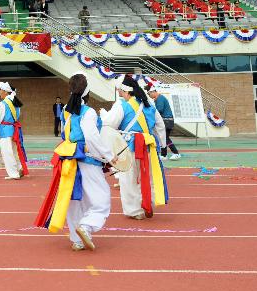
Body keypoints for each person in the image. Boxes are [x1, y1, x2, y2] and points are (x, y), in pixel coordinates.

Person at [35, 73, 117, 252]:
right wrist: (109, 155)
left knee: (75, 200)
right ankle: (86, 226)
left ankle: (77, 239)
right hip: (86, 159)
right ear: (88, 91)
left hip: (69, 160)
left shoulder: (68, 111)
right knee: (101, 198)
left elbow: (68, 136)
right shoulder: (88, 113)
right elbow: (92, 137)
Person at [100, 75, 167, 220]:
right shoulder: (149, 103)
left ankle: (134, 211)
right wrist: (162, 145)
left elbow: (108, 124)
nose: (118, 92)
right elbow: (159, 125)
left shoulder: (121, 105)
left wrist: (103, 115)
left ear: (125, 91)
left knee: (128, 179)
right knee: (148, 176)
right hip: (149, 145)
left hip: (129, 146)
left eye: (119, 90)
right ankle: (149, 202)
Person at [0, 81, 28, 180]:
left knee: (7, 153)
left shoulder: (3, 103)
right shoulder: (15, 102)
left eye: (0, 90)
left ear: (5, 91)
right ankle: (19, 168)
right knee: (14, 151)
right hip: (14, 130)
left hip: (5, 131)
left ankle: (14, 173)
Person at [146, 84, 180, 160]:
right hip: (167, 120)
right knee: (163, 137)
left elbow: (159, 110)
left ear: (153, 92)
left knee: (165, 138)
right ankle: (164, 155)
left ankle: (176, 153)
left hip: (166, 120)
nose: (149, 96)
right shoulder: (159, 98)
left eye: (149, 94)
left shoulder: (159, 99)